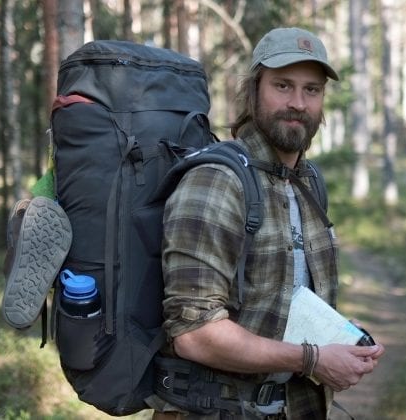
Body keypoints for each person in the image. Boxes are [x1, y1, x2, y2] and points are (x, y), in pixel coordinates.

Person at [148, 27, 385, 419]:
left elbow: (284, 300)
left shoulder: (307, 182)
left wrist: (336, 337)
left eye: (312, 90)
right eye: (283, 85)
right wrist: (312, 359)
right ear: (254, 89)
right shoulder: (216, 181)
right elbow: (194, 334)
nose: (297, 103)